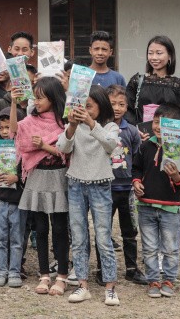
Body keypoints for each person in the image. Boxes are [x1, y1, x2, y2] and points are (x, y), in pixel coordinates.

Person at [57, 85, 122, 305]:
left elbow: (111, 145)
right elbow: (62, 148)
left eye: (89, 107)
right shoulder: (74, 127)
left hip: (101, 185)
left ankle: (110, 287)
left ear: (101, 106)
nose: (85, 110)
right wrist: (72, 126)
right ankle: (82, 284)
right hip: (75, 184)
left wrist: (91, 123)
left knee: (103, 237)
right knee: (78, 236)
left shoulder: (110, 126)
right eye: (82, 106)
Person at [16, 77, 70, 297]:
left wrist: (45, 146)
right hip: (36, 176)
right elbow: (18, 138)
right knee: (40, 228)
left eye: (41, 97)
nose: (36, 102)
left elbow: (67, 152)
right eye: (35, 97)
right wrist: (12, 104)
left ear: (53, 97)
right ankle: (44, 273)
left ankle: (63, 275)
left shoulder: (65, 122)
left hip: (59, 176)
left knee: (59, 228)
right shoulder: (29, 121)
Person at [133, 103, 180, 299]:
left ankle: (168, 280)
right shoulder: (145, 146)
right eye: (156, 122)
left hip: (170, 208)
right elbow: (136, 169)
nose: (158, 127)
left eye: (164, 124)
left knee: (170, 247)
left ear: (175, 128)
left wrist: (176, 177)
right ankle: (153, 280)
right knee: (149, 247)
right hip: (146, 206)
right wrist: (136, 183)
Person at [95, 85, 147, 285]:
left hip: (127, 190)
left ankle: (132, 269)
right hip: (104, 188)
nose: (116, 107)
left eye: (121, 104)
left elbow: (136, 159)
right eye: (112, 103)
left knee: (129, 231)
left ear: (127, 107)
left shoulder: (132, 131)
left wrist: (136, 181)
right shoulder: (99, 129)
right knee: (103, 230)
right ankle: (102, 269)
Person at [0, 106, 27, 288]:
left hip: (18, 200)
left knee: (17, 238)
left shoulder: (24, 148)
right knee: (0, 236)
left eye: (8, 127)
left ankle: (15, 270)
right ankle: (1, 269)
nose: (5, 132)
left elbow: (28, 169)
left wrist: (17, 177)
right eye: (1, 128)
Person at [125, 35, 180, 140]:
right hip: (142, 139)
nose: (154, 57)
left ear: (170, 55)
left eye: (159, 53)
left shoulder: (178, 85)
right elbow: (127, 109)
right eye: (150, 53)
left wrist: (172, 139)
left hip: (168, 141)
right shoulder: (137, 81)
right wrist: (135, 130)